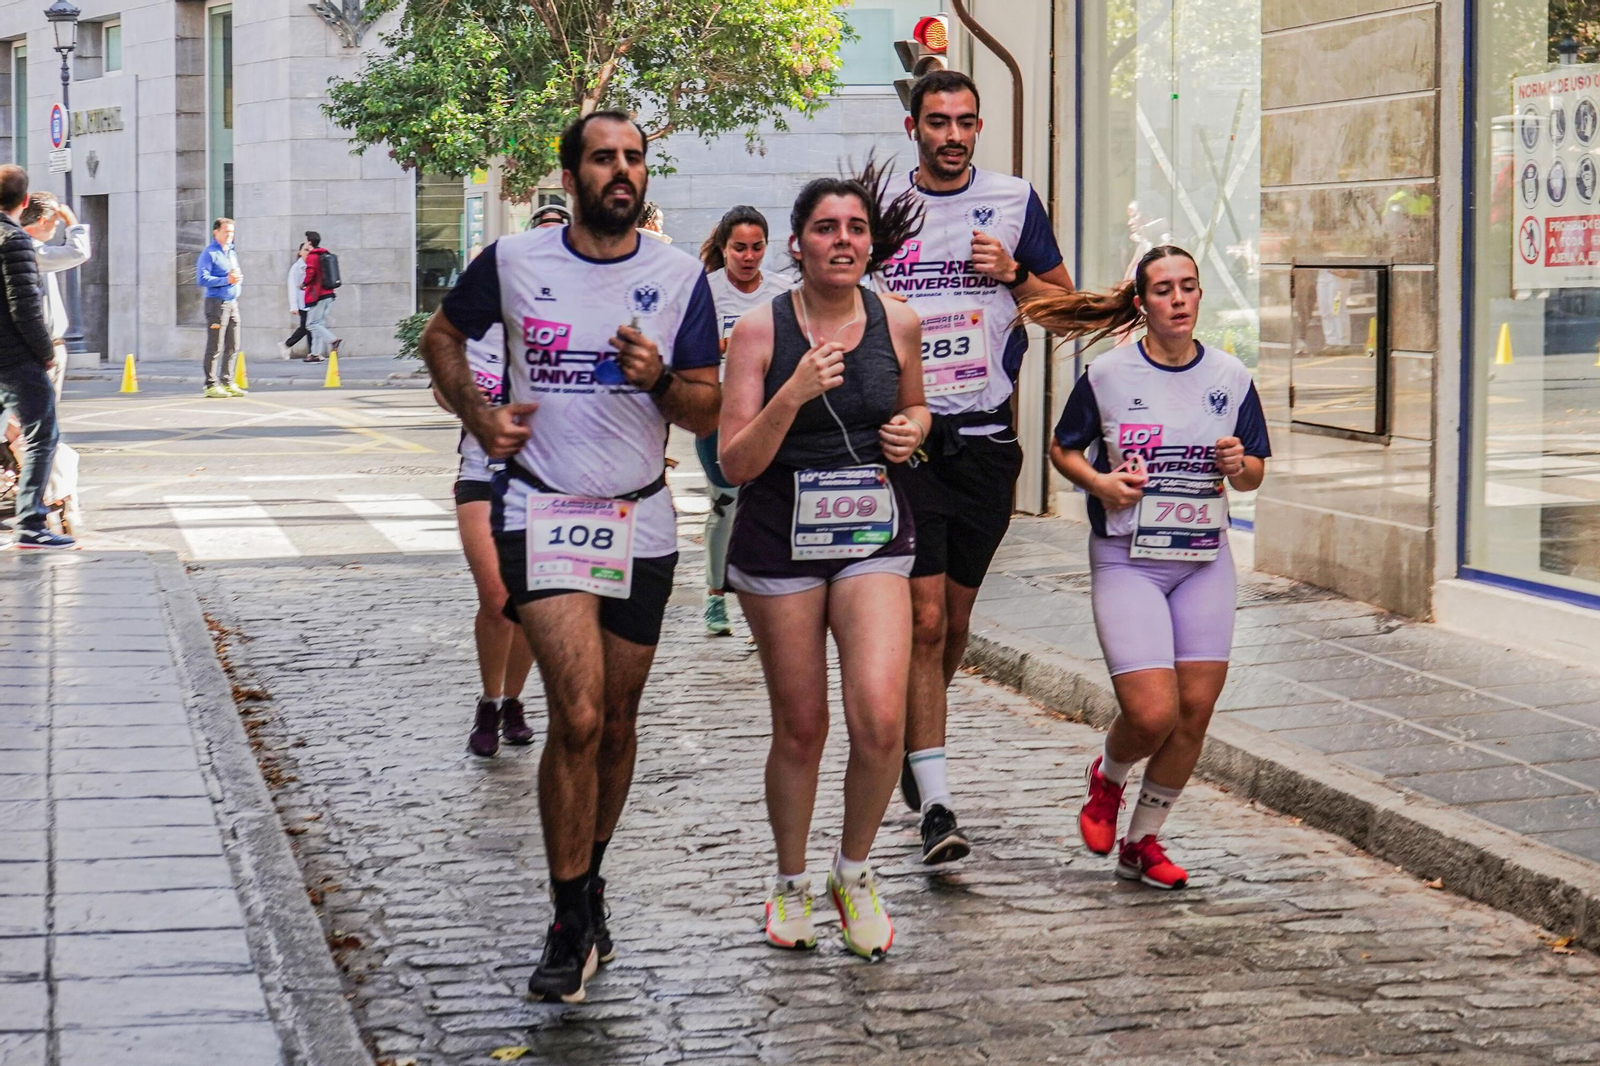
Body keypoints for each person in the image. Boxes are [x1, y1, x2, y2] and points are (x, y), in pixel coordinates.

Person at [419, 111, 720, 1003]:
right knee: (578, 715)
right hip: (540, 509)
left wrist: (660, 380)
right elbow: (441, 337)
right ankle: (563, 918)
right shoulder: (514, 261)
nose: (621, 170)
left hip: (642, 518)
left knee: (618, 723)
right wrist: (479, 416)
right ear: (570, 175)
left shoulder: (678, 276)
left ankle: (589, 886)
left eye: (634, 158)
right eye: (603, 158)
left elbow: (707, 408)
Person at [720, 161, 927, 960]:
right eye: (826, 229)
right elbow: (736, 461)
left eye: (855, 229)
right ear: (798, 245)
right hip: (781, 536)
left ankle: (854, 871)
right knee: (802, 725)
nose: (842, 241)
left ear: (870, 244)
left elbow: (915, 406)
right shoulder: (761, 332)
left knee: (880, 716)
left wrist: (914, 429)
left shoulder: (897, 322)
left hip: (872, 532)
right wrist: (794, 391)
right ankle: (790, 880)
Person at [1021, 245, 1270, 890]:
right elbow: (1062, 448)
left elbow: (1253, 474)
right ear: (1142, 302)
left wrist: (1238, 465)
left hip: (1202, 560)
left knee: (1195, 713)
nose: (1179, 299)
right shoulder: (1108, 375)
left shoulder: (1230, 375)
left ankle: (1142, 842)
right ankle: (1106, 778)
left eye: (1189, 286)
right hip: (1129, 560)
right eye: (1164, 289)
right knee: (1153, 712)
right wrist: (1100, 484)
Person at [876, 69, 1075, 866]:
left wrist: (1014, 276)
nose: (952, 135)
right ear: (913, 128)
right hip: (909, 443)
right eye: (937, 121)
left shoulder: (1013, 201)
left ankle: (915, 739)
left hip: (987, 444)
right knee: (924, 621)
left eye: (964, 122)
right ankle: (938, 804)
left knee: (954, 624)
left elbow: (1064, 308)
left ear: (978, 128)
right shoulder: (884, 205)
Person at [440, 209, 572, 757]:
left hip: (547, 481)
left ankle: (513, 700)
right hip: (482, 472)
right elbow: (443, 387)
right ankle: (488, 701)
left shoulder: (568, 325)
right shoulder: (479, 324)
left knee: (527, 601)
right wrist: (474, 405)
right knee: (496, 595)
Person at [695, 205, 791, 636]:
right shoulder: (704, 291)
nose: (748, 257)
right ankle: (716, 594)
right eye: (739, 248)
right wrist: (732, 343)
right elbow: (687, 350)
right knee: (726, 503)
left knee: (771, 504)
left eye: (757, 247)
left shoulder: (783, 291)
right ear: (723, 248)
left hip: (770, 413)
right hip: (718, 412)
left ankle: (767, 602)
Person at [0, 165, 72, 549]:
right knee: (42, 434)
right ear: (24, 200)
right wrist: (46, 353)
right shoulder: (14, 240)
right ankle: (30, 523)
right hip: (14, 358)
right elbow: (25, 308)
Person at [20, 192, 91, 401]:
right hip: (40, 347)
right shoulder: (27, 248)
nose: (57, 225)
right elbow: (78, 252)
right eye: (56, 220)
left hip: (42, 346)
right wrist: (73, 223)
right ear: (43, 220)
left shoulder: (29, 247)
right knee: (37, 413)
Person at [197, 217, 244, 398]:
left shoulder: (231, 252)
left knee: (233, 344)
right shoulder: (209, 253)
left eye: (232, 232)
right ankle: (210, 384)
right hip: (217, 304)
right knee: (215, 345)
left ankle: (227, 381)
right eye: (226, 232)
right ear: (215, 232)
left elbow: (234, 275)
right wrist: (226, 280)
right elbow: (202, 279)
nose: (229, 235)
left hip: (232, 303)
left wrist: (237, 278)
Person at [301, 231, 341, 363]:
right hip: (329, 293)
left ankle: (332, 340)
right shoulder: (324, 253)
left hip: (318, 295)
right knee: (319, 323)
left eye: (306, 241)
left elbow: (311, 273)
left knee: (311, 324)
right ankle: (315, 353)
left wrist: (303, 284)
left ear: (309, 242)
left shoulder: (313, 256)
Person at [283, 239, 312, 358]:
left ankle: (312, 352)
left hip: (312, 301)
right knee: (306, 327)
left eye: (310, 250)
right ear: (300, 252)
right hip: (302, 303)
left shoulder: (312, 266)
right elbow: (292, 288)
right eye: (305, 250)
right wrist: (294, 306)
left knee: (309, 327)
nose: (308, 253)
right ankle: (287, 344)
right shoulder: (296, 268)